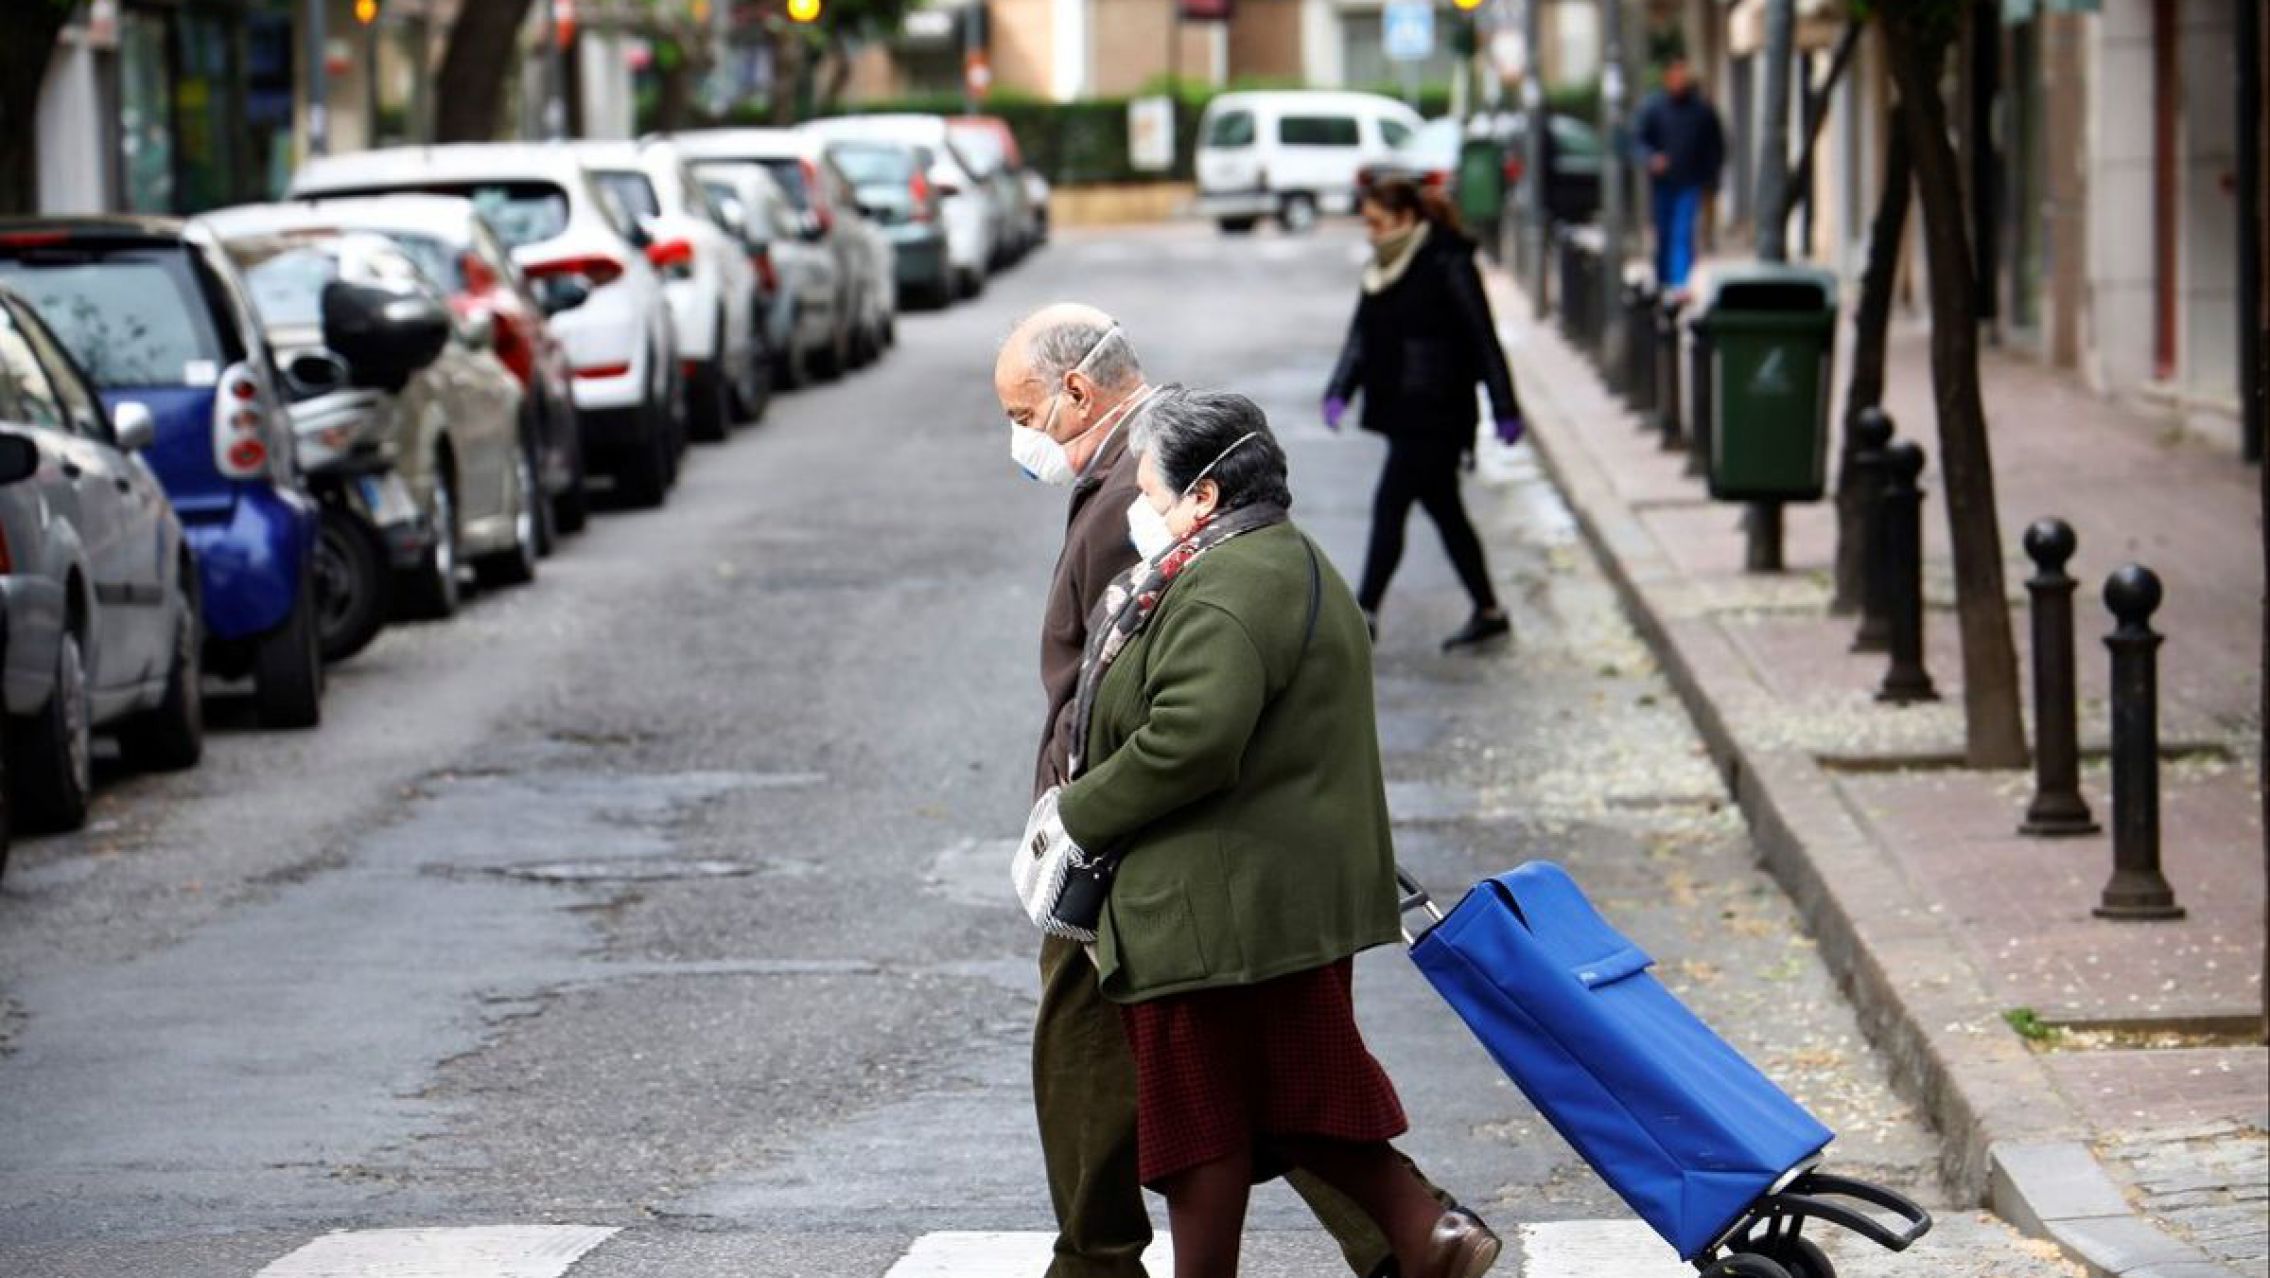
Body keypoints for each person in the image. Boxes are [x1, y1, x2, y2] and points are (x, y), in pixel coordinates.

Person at [997, 307, 1451, 1278]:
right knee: (1257, 1094)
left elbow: (1187, 731)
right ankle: (1414, 1238)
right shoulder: (1210, 522)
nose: (1017, 438)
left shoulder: (1198, 541)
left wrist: (1075, 811)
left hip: (1180, 877)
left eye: (1023, 412)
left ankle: (1410, 1238)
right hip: (1200, 875)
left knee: (1227, 1098)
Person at [1323, 179, 1522, 651]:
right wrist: (1340, 389)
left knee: (1390, 504)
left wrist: (1504, 407)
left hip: (1438, 411)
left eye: (1377, 223)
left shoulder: (1447, 261)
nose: (1370, 233)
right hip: (1402, 409)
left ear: (1407, 218)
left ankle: (1364, 611)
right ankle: (1489, 609)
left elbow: (1482, 338)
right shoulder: (1384, 266)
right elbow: (1361, 336)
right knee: (1446, 512)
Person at [1632, 55, 1726, 296]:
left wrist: (1711, 179)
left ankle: (1679, 283)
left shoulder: (1701, 110)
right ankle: (1664, 280)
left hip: (1689, 182)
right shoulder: (1654, 108)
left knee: (1682, 233)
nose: (1679, 79)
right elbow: (1639, 141)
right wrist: (1652, 159)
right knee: (1664, 233)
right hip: (1663, 183)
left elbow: (1715, 146)